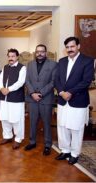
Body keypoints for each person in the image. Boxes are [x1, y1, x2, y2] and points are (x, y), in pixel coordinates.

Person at [55, 37, 94, 165]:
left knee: (76, 128)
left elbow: (86, 81)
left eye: (72, 46)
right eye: (67, 47)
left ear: (78, 46)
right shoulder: (61, 61)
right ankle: (65, 150)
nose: (69, 49)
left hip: (78, 100)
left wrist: (70, 92)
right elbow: (57, 80)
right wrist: (61, 92)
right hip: (62, 99)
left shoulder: (88, 61)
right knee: (62, 126)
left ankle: (74, 153)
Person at [24, 44, 57, 155]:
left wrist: (41, 93)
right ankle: (32, 141)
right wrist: (33, 93)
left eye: (42, 51)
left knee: (46, 122)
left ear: (46, 53)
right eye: (37, 51)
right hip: (32, 98)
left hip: (46, 98)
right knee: (32, 122)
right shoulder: (30, 64)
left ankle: (48, 144)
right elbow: (27, 80)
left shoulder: (53, 64)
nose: (40, 53)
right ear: (35, 53)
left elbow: (53, 82)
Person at [0, 48, 26, 150]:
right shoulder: (5, 67)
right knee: (5, 118)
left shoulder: (22, 68)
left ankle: (18, 139)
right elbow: (0, 79)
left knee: (16, 119)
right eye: (9, 56)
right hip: (4, 97)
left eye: (13, 56)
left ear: (17, 57)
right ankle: (7, 136)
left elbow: (20, 82)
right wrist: (1, 88)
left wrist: (8, 89)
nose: (11, 58)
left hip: (16, 98)